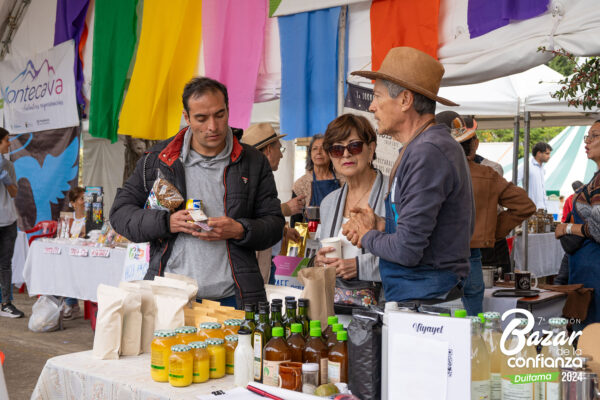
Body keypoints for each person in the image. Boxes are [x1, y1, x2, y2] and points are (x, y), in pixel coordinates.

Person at [110, 77, 285, 308]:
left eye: (219, 115)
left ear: (228, 110)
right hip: (170, 297)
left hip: (234, 297)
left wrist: (240, 229)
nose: (212, 127)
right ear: (187, 117)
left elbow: (274, 224)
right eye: (201, 118)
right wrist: (167, 222)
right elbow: (120, 215)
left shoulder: (253, 162)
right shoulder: (157, 160)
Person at [342, 47, 474, 303]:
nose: (372, 106)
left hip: (427, 301)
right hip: (421, 297)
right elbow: (425, 232)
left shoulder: (428, 152)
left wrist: (367, 234)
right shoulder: (422, 147)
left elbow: (406, 251)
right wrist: (380, 224)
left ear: (404, 100)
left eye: (377, 96)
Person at [438, 111, 535, 315]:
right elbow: (525, 205)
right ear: (472, 145)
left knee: (433, 327)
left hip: (436, 259)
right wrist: (491, 229)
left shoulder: (428, 171)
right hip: (473, 257)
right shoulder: (487, 174)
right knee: (473, 328)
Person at [314, 114, 386, 286]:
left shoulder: (393, 192)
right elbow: (323, 250)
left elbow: (410, 252)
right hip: (337, 306)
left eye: (354, 146)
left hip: (385, 305)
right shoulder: (328, 203)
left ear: (371, 148)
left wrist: (360, 267)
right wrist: (319, 261)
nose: (345, 154)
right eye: (337, 149)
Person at [241, 122, 302, 283]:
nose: (281, 155)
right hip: (252, 265)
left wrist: (282, 231)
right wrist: (285, 209)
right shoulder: (247, 180)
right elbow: (249, 218)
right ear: (268, 150)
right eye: (279, 149)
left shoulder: (258, 177)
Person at [556, 120, 600, 326]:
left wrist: (567, 228)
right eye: (587, 136)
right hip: (587, 271)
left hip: (595, 274)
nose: (587, 141)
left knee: (591, 338)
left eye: (595, 136)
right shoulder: (595, 179)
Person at [463, 115, 512, 274]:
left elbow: (520, 206)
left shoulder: (491, 168)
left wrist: (497, 231)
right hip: (462, 243)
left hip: (489, 243)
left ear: (475, 143)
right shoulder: (445, 168)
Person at [291, 134, 344, 227]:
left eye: (323, 148)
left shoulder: (344, 180)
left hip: (338, 236)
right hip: (311, 237)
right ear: (310, 154)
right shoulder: (301, 184)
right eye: (315, 149)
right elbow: (296, 222)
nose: (319, 152)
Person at [0, 128, 24, 318]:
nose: (9, 143)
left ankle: (6, 303)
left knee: (5, 264)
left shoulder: (9, 166)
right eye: (7, 140)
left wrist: (7, 181)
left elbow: (14, 193)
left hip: (8, 221)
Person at [62, 186, 87, 319]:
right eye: (81, 199)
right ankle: (56, 302)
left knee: (69, 268)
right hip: (69, 256)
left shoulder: (91, 220)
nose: (85, 201)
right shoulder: (67, 219)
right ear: (72, 203)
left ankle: (71, 304)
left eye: (86, 198)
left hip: (84, 258)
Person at [518, 141, 552, 210]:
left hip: (543, 209)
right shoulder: (526, 166)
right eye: (547, 154)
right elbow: (514, 182)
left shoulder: (542, 168)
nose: (549, 156)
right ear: (539, 153)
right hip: (530, 209)